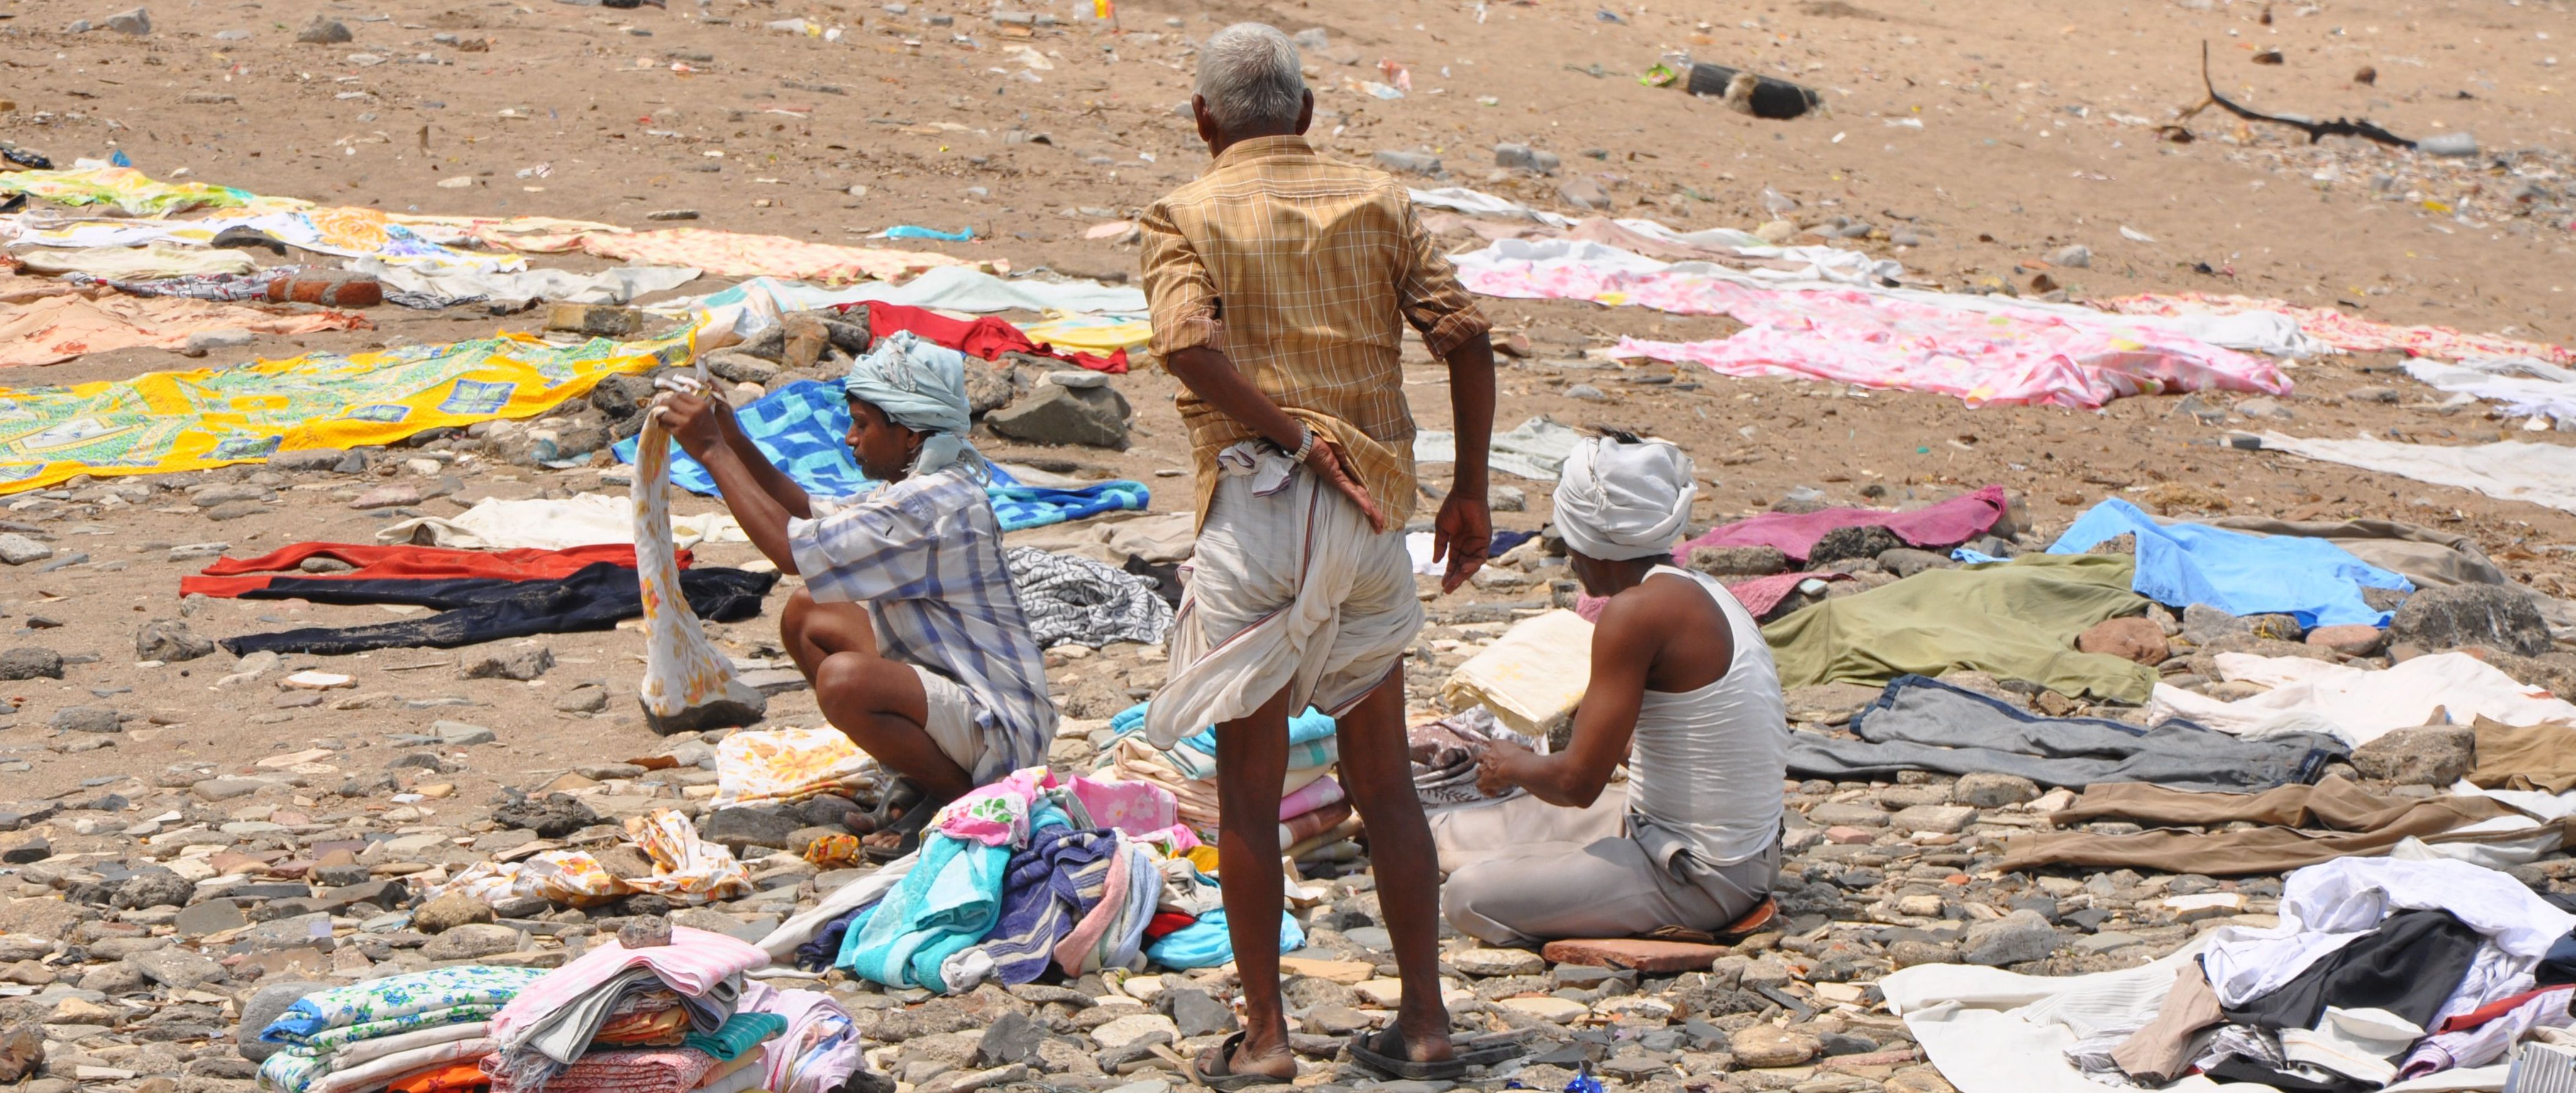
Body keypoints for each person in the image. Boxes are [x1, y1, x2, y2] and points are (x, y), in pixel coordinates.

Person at [1136, 21, 1502, 1088]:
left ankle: (1265, 1038)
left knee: (1246, 788)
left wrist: (1294, 437)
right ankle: (1424, 1024)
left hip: (1255, 508)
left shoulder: (1182, 211)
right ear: (1304, 113)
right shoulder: (1379, 201)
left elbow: (1183, 344)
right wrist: (1468, 489)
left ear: (1204, 121)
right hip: (1373, 514)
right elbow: (1465, 336)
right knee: (1381, 778)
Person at [654, 332, 1058, 854]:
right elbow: (804, 512)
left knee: (845, 681)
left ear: (910, 434)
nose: (849, 438)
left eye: (862, 425)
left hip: (999, 726)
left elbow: (789, 551)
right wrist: (732, 438)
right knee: (808, 613)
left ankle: (962, 801)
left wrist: (710, 451)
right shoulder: (917, 488)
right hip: (956, 694)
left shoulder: (933, 506)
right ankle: (922, 777)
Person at [1439, 435, 1789, 946]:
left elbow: (1577, 784)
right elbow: (1685, 742)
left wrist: (1509, 763)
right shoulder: (1698, 589)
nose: (1568, 554)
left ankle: (1615, 910)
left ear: (1592, 538)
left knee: (1467, 895)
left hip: (1702, 877)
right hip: (1714, 845)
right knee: (1449, 836)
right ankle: (1560, 878)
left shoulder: (1633, 614)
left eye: (1568, 537)